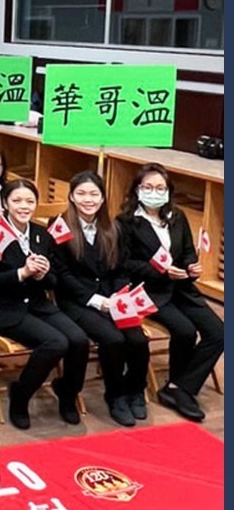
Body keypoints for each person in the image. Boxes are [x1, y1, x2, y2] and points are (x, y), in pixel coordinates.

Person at [117, 163, 224, 422]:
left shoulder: (177, 216)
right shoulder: (126, 222)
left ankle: (179, 387)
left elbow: (187, 251)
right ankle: (180, 389)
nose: (154, 192)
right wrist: (161, 271)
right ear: (137, 189)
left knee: (219, 333)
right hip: (150, 290)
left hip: (182, 288)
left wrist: (191, 266)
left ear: (168, 191)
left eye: (160, 188)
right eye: (148, 187)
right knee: (185, 331)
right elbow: (124, 263)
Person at [0, 179, 89, 430]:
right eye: (17, 200)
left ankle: (67, 394)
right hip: (5, 307)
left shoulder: (41, 234)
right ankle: (20, 395)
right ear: (5, 203)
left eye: (29, 201)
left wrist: (42, 274)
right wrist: (22, 273)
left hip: (39, 304)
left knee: (79, 340)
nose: (24, 206)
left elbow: (54, 280)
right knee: (56, 343)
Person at [51, 172, 149, 426]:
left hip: (112, 297)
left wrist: (118, 293)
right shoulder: (60, 226)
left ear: (103, 198)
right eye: (81, 193)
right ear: (72, 197)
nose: (88, 199)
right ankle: (115, 396)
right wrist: (95, 300)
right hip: (77, 300)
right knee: (113, 339)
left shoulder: (113, 227)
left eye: (94, 194)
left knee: (138, 339)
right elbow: (62, 275)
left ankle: (135, 390)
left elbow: (121, 268)